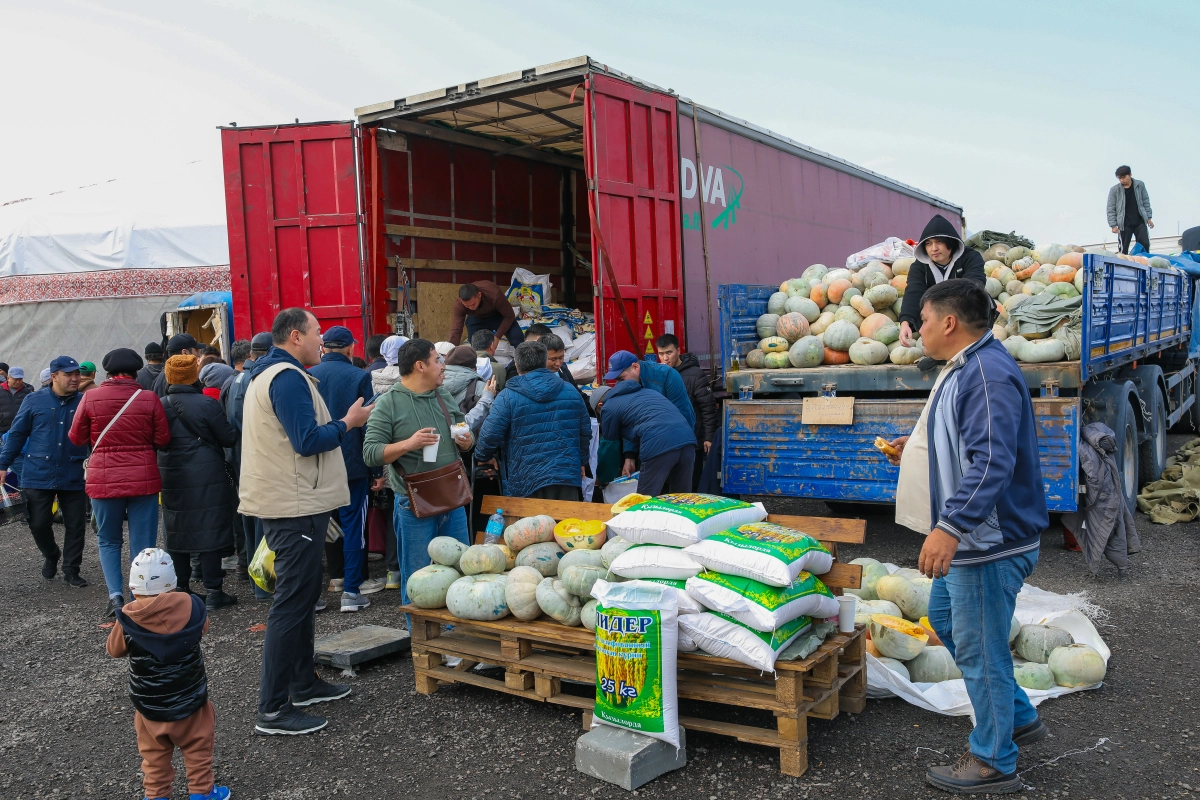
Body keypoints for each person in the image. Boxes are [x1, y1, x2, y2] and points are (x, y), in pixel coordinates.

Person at [885, 279, 1048, 794]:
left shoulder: (985, 374)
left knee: (981, 651)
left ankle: (994, 758)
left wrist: (950, 527)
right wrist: (912, 450)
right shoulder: (968, 366)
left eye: (926, 321)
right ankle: (1018, 715)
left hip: (987, 543)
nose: (921, 331)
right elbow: (967, 442)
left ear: (950, 323)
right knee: (947, 622)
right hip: (977, 539)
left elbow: (993, 460)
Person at [239, 308, 372, 736]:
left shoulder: (272, 374)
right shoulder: (286, 377)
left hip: (295, 501)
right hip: (292, 503)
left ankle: (303, 683)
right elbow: (307, 441)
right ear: (295, 336)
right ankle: (274, 709)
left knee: (301, 596)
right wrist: (348, 423)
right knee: (291, 604)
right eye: (317, 333)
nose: (322, 341)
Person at [106, 549, 230, 800]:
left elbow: (114, 650)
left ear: (134, 588)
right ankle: (202, 793)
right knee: (198, 750)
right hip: (191, 701)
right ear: (172, 584)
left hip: (149, 706)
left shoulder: (128, 617)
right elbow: (202, 629)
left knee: (153, 757)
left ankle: (156, 795)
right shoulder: (192, 606)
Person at [363, 338, 474, 611]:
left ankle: (455, 642)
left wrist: (467, 441)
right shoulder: (388, 403)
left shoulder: (444, 395)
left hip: (453, 496)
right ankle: (422, 646)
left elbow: (463, 431)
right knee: (419, 577)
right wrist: (408, 445)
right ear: (420, 365)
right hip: (413, 503)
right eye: (438, 360)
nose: (443, 366)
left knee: (461, 570)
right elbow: (370, 452)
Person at [69, 348, 171, 616]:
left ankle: (115, 598)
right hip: (143, 479)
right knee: (143, 543)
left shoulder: (90, 397)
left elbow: (76, 438)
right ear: (136, 372)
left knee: (109, 540)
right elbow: (162, 439)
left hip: (104, 480)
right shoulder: (148, 398)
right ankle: (143, 597)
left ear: (107, 372)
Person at [309, 325, 386, 611]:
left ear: (324, 347)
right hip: (352, 463)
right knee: (354, 525)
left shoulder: (308, 375)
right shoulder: (359, 376)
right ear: (350, 348)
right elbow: (370, 426)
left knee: (314, 529)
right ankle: (351, 592)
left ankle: (313, 596)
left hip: (316, 463)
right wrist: (376, 471)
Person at [0, 357, 90, 587]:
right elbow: (17, 434)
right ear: (54, 376)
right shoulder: (33, 400)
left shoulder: (85, 401)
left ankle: (71, 569)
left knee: (76, 524)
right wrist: (3, 464)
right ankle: (51, 554)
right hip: (39, 471)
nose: (75, 378)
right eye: (68, 374)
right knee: (38, 523)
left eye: (76, 374)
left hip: (74, 470)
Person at [160, 355, 240, 610]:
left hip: (171, 474)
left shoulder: (160, 404)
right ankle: (214, 591)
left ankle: (182, 588)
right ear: (194, 375)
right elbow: (227, 438)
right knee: (209, 530)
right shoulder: (207, 403)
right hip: (207, 474)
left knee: (177, 529)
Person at [476, 341, 591, 501]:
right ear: (544, 362)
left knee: (532, 526)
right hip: (566, 475)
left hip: (526, 478)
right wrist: (582, 461)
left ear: (516, 365)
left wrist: (483, 456)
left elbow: (490, 434)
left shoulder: (507, 396)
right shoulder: (570, 390)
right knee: (566, 525)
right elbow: (585, 431)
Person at [224, 331, 274, 602]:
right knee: (264, 524)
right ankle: (264, 585)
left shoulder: (237, 380)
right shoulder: (256, 379)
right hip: (257, 460)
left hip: (241, 459)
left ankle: (252, 575)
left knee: (250, 521)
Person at [898, 214, 986, 347]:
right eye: (928, 243)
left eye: (939, 241)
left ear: (950, 241)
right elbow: (914, 291)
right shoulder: (919, 266)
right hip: (934, 319)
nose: (934, 248)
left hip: (965, 316)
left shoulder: (970, 257)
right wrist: (906, 322)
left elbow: (975, 283)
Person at [598, 377, 696, 497]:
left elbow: (609, 447)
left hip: (659, 443)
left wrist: (604, 479)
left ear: (600, 405)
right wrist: (630, 456)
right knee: (681, 498)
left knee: (644, 499)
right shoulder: (647, 392)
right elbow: (642, 422)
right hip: (687, 439)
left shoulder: (608, 407)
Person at [656, 334, 718, 488]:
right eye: (661, 354)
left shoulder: (695, 374)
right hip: (666, 442)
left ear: (678, 350)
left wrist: (709, 437)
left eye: (669, 352)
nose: (665, 358)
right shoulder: (657, 375)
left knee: (691, 487)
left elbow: (708, 408)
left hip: (691, 441)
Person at [602, 350, 696, 430]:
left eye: (622, 378)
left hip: (675, 436)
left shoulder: (667, 375)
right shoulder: (623, 385)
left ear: (635, 367)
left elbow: (683, 412)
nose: (620, 384)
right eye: (617, 380)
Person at [448, 280, 524, 347]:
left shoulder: (494, 295)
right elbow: (456, 329)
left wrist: (497, 337)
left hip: (498, 315)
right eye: (467, 306)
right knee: (475, 343)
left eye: (473, 304)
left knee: (518, 338)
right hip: (476, 318)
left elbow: (509, 316)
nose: (471, 308)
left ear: (479, 295)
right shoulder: (459, 305)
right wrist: (450, 350)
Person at [444, 345, 497, 433]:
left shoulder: (433, 383)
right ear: (474, 367)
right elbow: (494, 419)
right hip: (469, 441)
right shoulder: (483, 387)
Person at [1107, 165, 1154, 255]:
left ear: (1130, 175)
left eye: (1124, 177)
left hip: (1139, 221)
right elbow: (1110, 208)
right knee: (1123, 250)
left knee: (1144, 244)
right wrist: (1113, 225)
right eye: (1119, 178)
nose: (1122, 180)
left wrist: (1148, 217)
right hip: (1124, 224)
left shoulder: (1139, 185)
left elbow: (1145, 201)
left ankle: (1144, 264)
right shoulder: (1114, 190)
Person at [0, 366, 34, 433]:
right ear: (8, 378)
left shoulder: (28, 392)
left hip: (22, 430)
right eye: (15, 379)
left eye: (20, 379)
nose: (18, 382)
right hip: (2, 430)